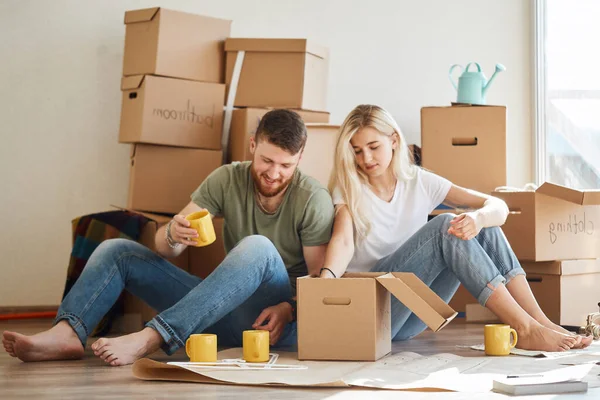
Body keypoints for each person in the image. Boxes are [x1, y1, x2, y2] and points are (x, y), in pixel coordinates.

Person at [2, 109, 335, 366]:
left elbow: (319, 285)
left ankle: (152, 338)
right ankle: (67, 334)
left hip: (273, 322)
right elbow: (165, 248)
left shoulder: (312, 198)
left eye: (286, 165)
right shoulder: (227, 179)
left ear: (300, 160)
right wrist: (174, 234)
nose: (274, 174)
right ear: (252, 146)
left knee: (258, 248)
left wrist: (288, 310)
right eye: (266, 160)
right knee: (117, 250)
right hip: (219, 312)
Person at [319, 104, 591, 352]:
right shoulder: (348, 186)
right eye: (357, 150)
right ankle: (524, 328)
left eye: (373, 146)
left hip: (412, 318)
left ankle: (540, 322)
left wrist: (479, 219)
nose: (366, 158)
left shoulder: (419, 181)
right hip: (376, 312)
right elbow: (342, 240)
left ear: (394, 141)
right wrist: (325, 284)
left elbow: (497, 206)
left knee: (482, 225)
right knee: (446, 226)